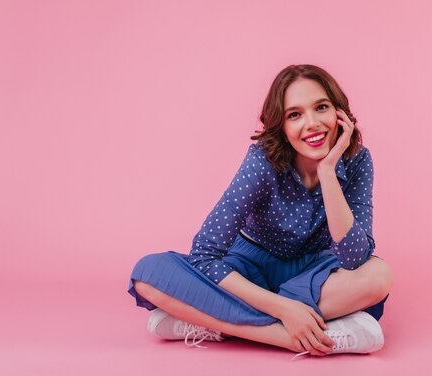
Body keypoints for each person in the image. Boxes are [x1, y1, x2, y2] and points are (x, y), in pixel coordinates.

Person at [128, 64, 393, 360]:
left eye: (321, 108)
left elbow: (354, 257)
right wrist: (282, 308)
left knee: (378, 276)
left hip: (317, 275)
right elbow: (204, 253)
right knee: (147, 276)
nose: (313, 123)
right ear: (281, 124)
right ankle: (288, 337)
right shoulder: (262, 162)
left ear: (339, 113)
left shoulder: (358, 160)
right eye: (295, 114)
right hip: (251, 270)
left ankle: (216, 321)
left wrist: (328, 171)